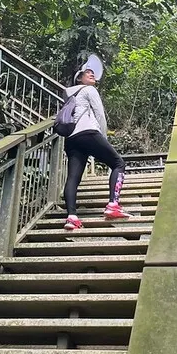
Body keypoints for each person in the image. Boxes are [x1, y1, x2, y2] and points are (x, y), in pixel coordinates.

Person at [62, 60, 130, 231]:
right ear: (79, 78)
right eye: (88, 72)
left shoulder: (69, 95)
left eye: (93, 73)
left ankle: (72, 217)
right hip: (89, 133)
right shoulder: (89, 90)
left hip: (71, 138)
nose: (92, 75)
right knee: (118, 163)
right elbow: (100, 114)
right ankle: (113, 204)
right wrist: (104, 137)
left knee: (73, 178)